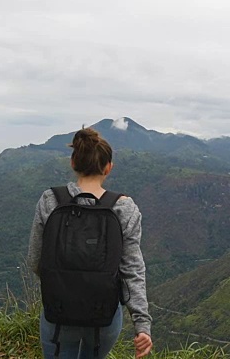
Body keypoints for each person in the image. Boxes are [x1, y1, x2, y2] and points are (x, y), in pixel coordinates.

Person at [27, 127, 153, 359]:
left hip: (58, 311)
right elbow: (132, 269)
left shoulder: (50, 200)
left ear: (73, 162)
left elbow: (35, 260)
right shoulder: (124, 208)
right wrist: (142, 324)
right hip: (103, 316)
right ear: (108, 168)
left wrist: (63, 282)